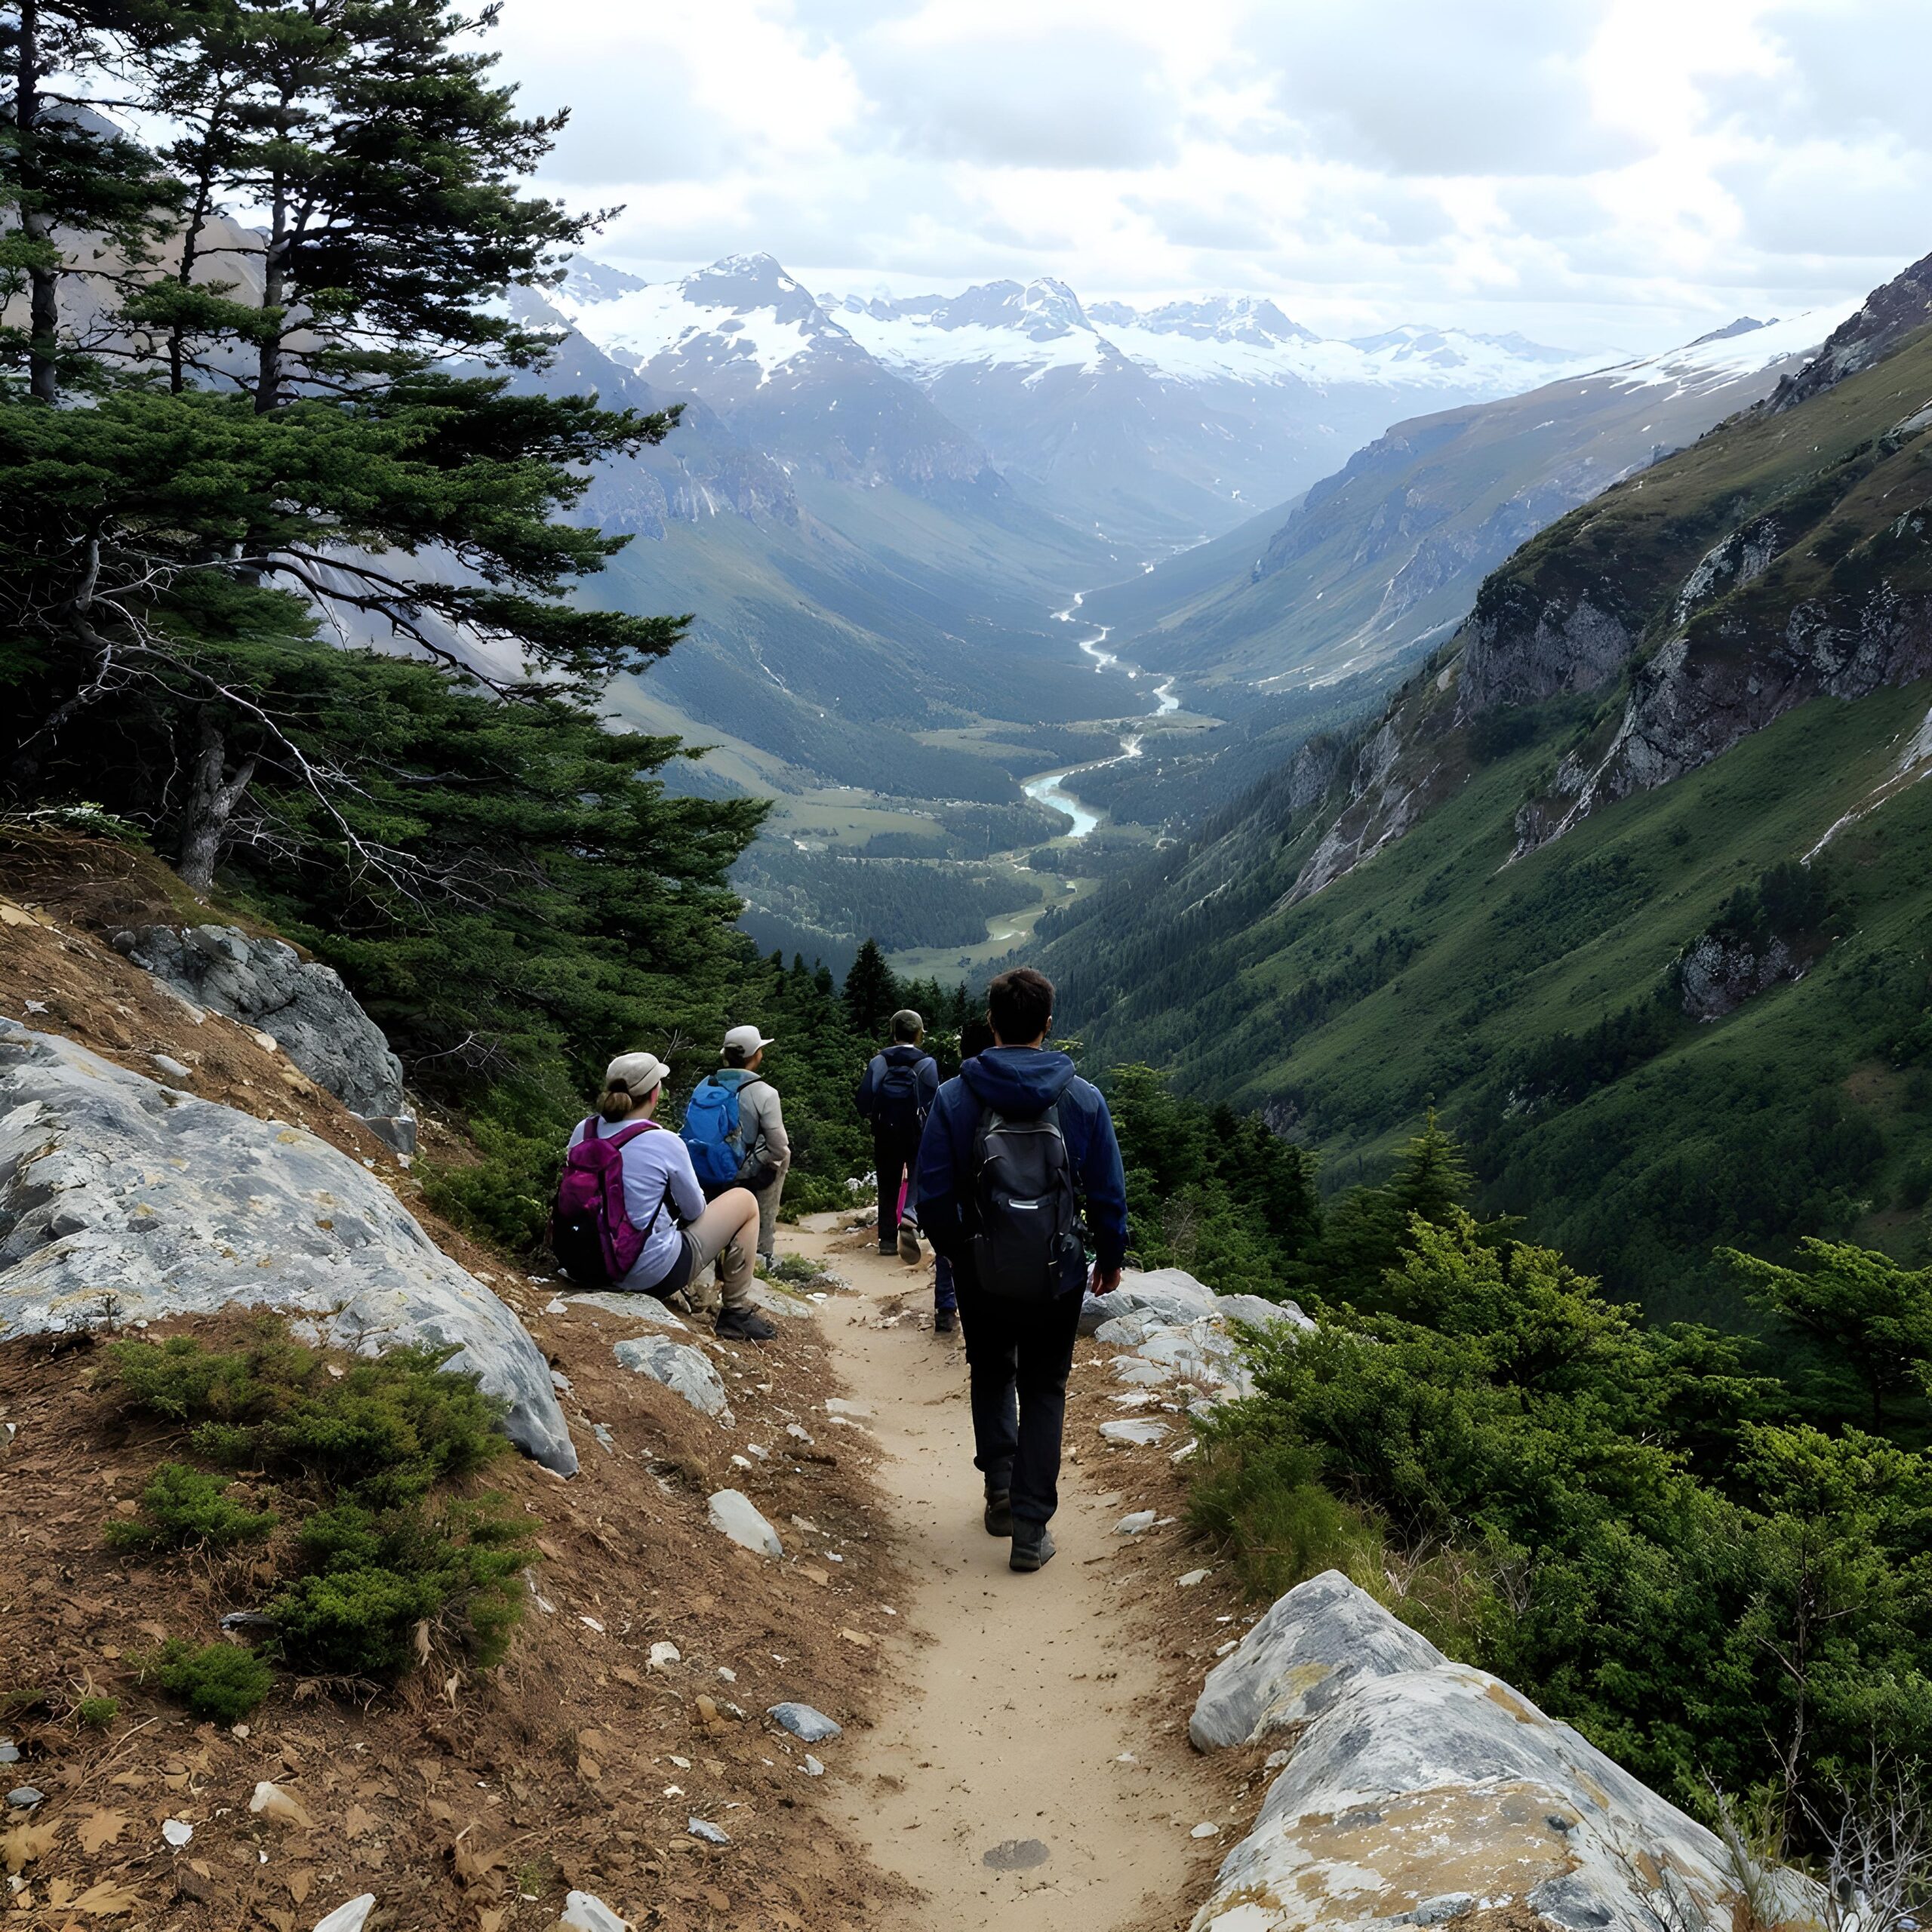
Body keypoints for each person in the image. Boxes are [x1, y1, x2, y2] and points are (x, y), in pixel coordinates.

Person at [915, 968, 1127, 1572]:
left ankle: (1000, 1490)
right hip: (1057, 1274)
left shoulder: (957, 1097)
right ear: (1048, 1025)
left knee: (990, 1371)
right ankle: (1032, 1529)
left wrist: (961, 1252)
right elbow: (1109, 1196)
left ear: (991, 1024)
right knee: (1044, 1387)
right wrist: (1108, 1261)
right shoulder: (1082, 1098)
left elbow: (931, 1196)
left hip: (982, 1273)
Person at [568, 1051, 777, 1342]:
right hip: (648, 1275)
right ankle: (735, 1313)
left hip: (584, 1264)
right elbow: (695, 1211)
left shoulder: (585, 1130)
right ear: (655, 1093)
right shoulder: (664, 1141)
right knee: (745, 1202)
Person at [688, 1025, 792, 1275]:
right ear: (756, 1055)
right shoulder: (765, 1092)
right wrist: (772, 1164)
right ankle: (762, 1252)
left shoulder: (706, 1086)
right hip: (742, 1172)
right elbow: (779, 1145)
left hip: (704, 1166)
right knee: (782, 1159)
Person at [855, 1008, 938, 1267]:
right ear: (918, 1034)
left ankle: (887, 1241)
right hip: (916, 1132)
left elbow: (864, 1100)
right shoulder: (927, 1063)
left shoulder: (879, 1061)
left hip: (885, 1131)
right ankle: (911, 1216)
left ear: (893, 1034)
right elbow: (934, 1102)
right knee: (916, 1176)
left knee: (887, 1184)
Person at [928, 1017, 993, 1337]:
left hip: (963, 1206)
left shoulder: (950, 1095)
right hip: (1016, 1212)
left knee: (953, 1238)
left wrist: (948, 1246)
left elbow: (934, 1186)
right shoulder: (1041, 1092)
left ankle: (945, 1309)